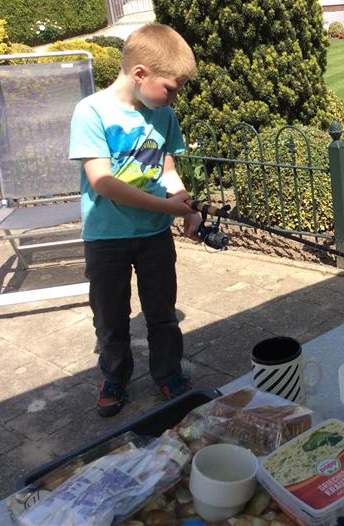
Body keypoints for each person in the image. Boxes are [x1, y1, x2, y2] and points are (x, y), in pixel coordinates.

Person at [69, 23, 203, 417]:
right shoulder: (91, 111)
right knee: (110, 317)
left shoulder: (162, 114)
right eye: (171, 88)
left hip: (154, 236)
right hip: (106, 238)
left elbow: (166, 169)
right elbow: (103, 182)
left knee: (162, 313)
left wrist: (186, 204)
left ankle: (168, 372)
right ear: (140, 74)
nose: (174, 98)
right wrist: (168, 208)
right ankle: (115, 376)